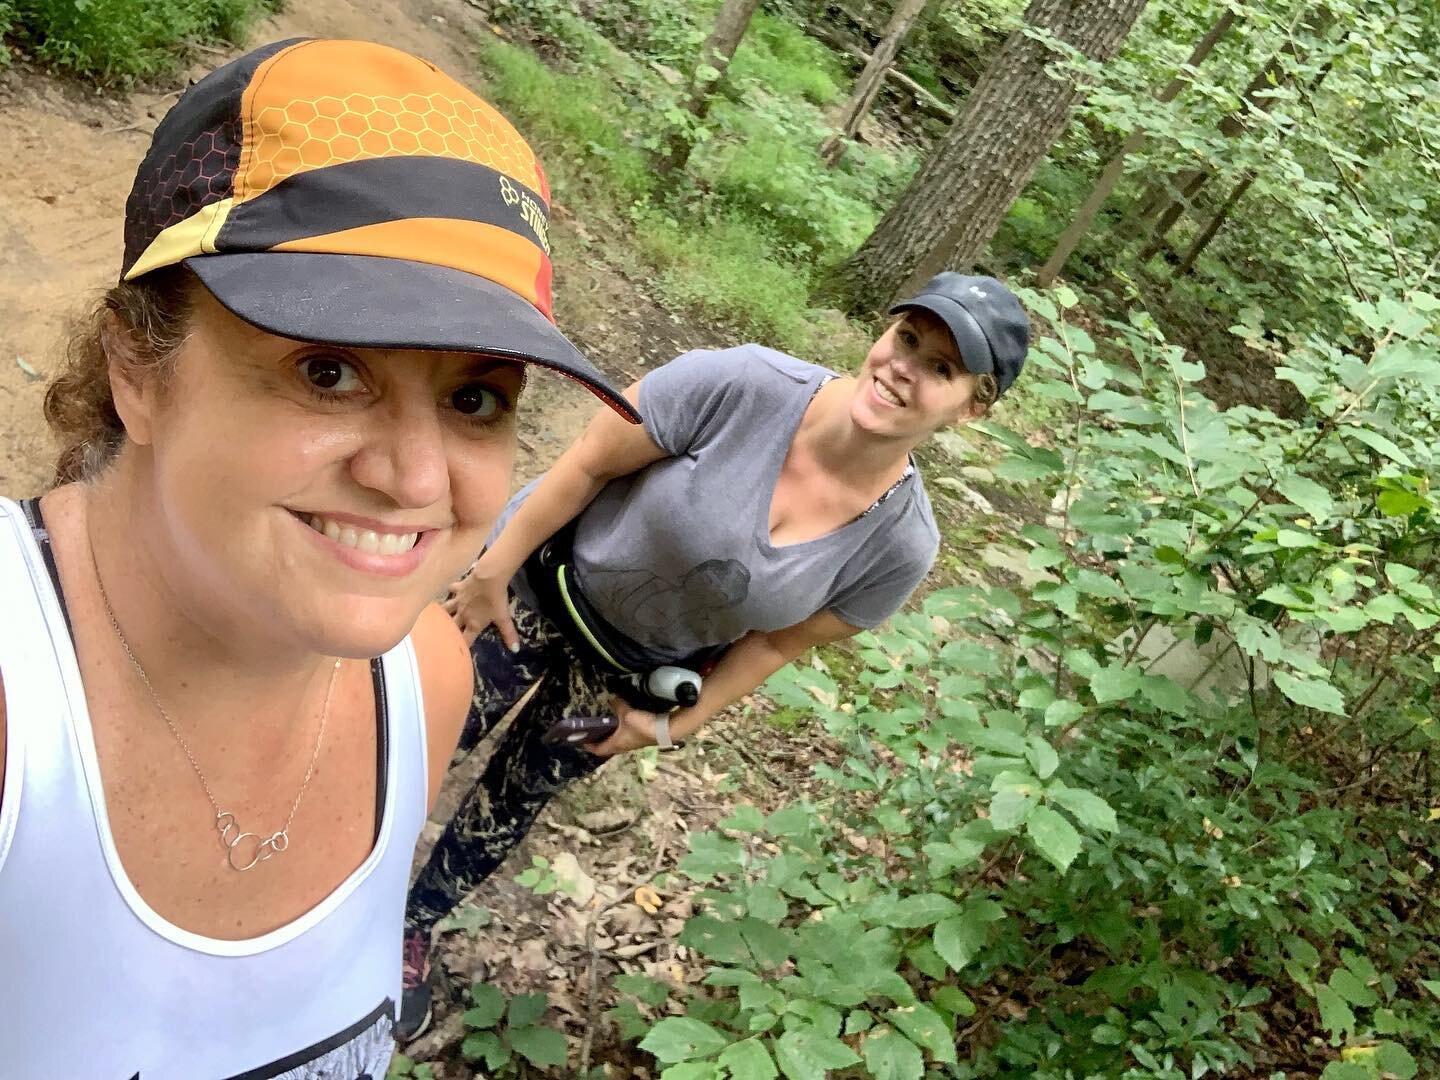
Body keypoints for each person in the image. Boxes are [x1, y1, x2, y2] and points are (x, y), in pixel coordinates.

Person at [0, 37, 636, 1078]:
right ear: (136, 370)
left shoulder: (424, 680)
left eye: (476, 397)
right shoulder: (14, 710)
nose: (419, 479)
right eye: (330, 370)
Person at [401, 270, 1031, 1034]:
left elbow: (777, 641)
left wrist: (672, 726)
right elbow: (590, 462)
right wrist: (493, 568)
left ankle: (410, 931)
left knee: (510, 803)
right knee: (418, 741)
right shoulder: (742, 386)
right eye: (907, 339)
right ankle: (325, 882)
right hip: (537, 592)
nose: (904, 368)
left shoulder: (899, 545)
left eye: (941, 369)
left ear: (973, 406)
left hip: (625, 677)